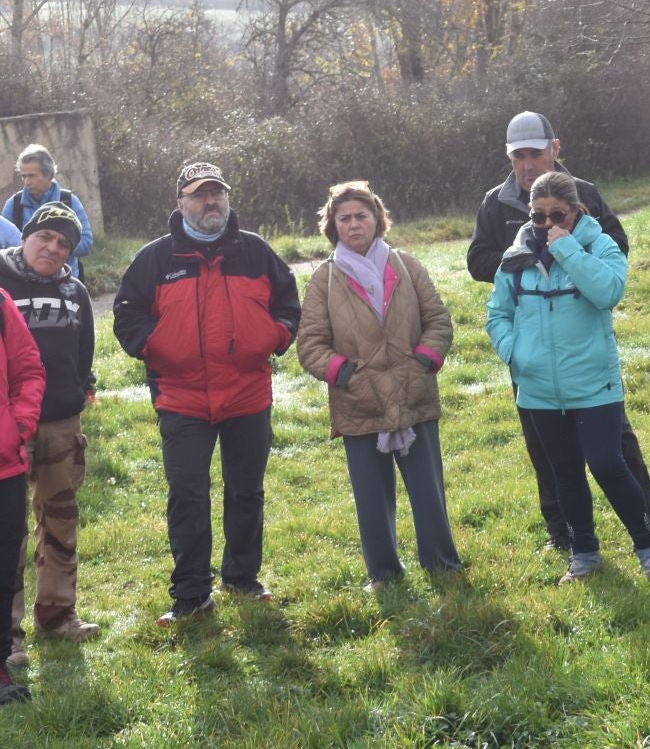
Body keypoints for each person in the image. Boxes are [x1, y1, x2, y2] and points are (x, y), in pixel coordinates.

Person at [113, 162, 301, 624]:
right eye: (199, 195)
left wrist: (274, 336)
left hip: (246, 395)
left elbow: (288, 304)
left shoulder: (255, 251)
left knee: (246, 492)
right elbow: (127, 316)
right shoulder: (155, 259)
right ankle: (192, 595)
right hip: (182, 399)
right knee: (188, 495)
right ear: (180, 204)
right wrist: (159, 346)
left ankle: (241, 577)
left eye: (216, 193)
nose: (210, 202)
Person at [467, 110, 650, 554]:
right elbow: (477, 260)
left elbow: (617, 249)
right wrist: (522, 258)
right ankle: (563, 531)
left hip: (584, 346)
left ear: (555, 149)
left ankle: (646, 517)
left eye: (535, 153)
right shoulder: (495, 202)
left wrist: (567, 251)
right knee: (546, 450)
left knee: (613, 445)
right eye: (518, 156)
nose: (527, 163)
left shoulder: (585, 194)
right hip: (532, 347)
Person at [487, 170, 650, 583]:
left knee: (607, 463)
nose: (548, 225)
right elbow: (498, 314)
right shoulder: (514, 258)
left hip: (594, 384)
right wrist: (515, 355)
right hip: (537, 388)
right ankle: (584, 552)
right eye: (539, 216)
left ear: (577, 212)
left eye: (558, 215)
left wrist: (568, 249)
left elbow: (608, 292)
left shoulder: (599, 245)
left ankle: (648, 543)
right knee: (564, 471)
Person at [297, 183, 463, 588]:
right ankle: (384, 575)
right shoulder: (325, 279)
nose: (354, 225)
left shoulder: (406, 264)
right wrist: (344, 374)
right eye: (344, 218)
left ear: (377, 219)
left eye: (361, 216)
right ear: (333, 226)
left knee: (428, 491)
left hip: (413, 393)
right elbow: (310, 345)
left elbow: (438, 320)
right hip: (360, 403)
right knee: (371, 500)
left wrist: (425, 359)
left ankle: (442, 565)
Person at [0, 204, 98, 662]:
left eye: (64, 244)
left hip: (60, 421)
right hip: (6, 428)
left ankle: (58, 614)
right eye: (45, 238)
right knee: (7, 529)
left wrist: (77, 393)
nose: (53, 249)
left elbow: (84, 356)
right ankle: (9, 634)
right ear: (26, 235)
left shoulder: (75, 291)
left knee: (59, 518)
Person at [0, 277, 43, 703]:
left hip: (4, 464)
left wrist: (18, 428)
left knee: (2, 567)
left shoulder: (0, 304)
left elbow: (29, 370)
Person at [4, 146, 94, 278]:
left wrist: (58, 248)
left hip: (64, 281)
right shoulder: (14, 204)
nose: (27, 182)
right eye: (23, 177)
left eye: (32, 176)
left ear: (49, 175)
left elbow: (86, 243)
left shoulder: (69, 201)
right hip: (23, 281)